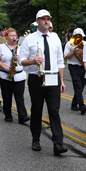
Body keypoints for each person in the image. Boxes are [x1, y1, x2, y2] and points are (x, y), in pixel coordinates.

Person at [19, 9, 68, 156]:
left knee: (54, 111)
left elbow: (60, 61)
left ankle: (58, 144)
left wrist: (62, 80)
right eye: (43, 19)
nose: (46, 21)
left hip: (53, 77)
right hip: (37, 78)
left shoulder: (55, 38)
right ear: (37, 21)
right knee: (37, 110)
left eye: (48, 19)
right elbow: (21, 60)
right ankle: (36, 138)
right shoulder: (29, 39)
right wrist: (33, 61)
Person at [0, 28, 29, 124]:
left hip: (19, 76)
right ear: (6, 37)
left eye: (15, 35)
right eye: (11, 36)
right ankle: (8, 115)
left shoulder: (21, 47)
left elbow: (26, 60)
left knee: (19, 97)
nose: (13, 37)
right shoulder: (1, 47)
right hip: (5, 76)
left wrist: (19, 58)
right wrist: (4, 67)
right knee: (7, 96)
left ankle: (23, 116)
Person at [64, 27, 86, 115]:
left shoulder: (85, 44)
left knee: (81, 87)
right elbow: (65, 57)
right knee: (78, 86)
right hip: (73, 67)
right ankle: (82, 106)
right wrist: (74, 53)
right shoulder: (69, 44)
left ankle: (74, 104)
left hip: (83, 67)